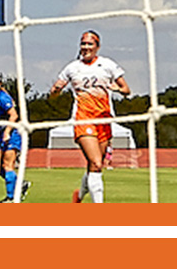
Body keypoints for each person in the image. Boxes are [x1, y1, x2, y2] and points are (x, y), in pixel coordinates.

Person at [50, 30, 130, 204]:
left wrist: (117, 89)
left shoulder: (108, 65)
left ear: (97, 47)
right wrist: (55, 90)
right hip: (82, 119)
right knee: (96, 162)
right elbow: (54, 92)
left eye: (90, 44)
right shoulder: (72, 68)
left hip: (104, 120)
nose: (86, 47)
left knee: (95, 165)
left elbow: (126, 90)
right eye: (83, 44)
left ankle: (78, 197)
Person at [0, 73, 29, 202]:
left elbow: (14, 115)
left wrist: (7, 132)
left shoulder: (3, 98)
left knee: (7, 165)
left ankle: (11, 198)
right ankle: (20, 184)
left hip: (12, 134)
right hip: (3, 134)